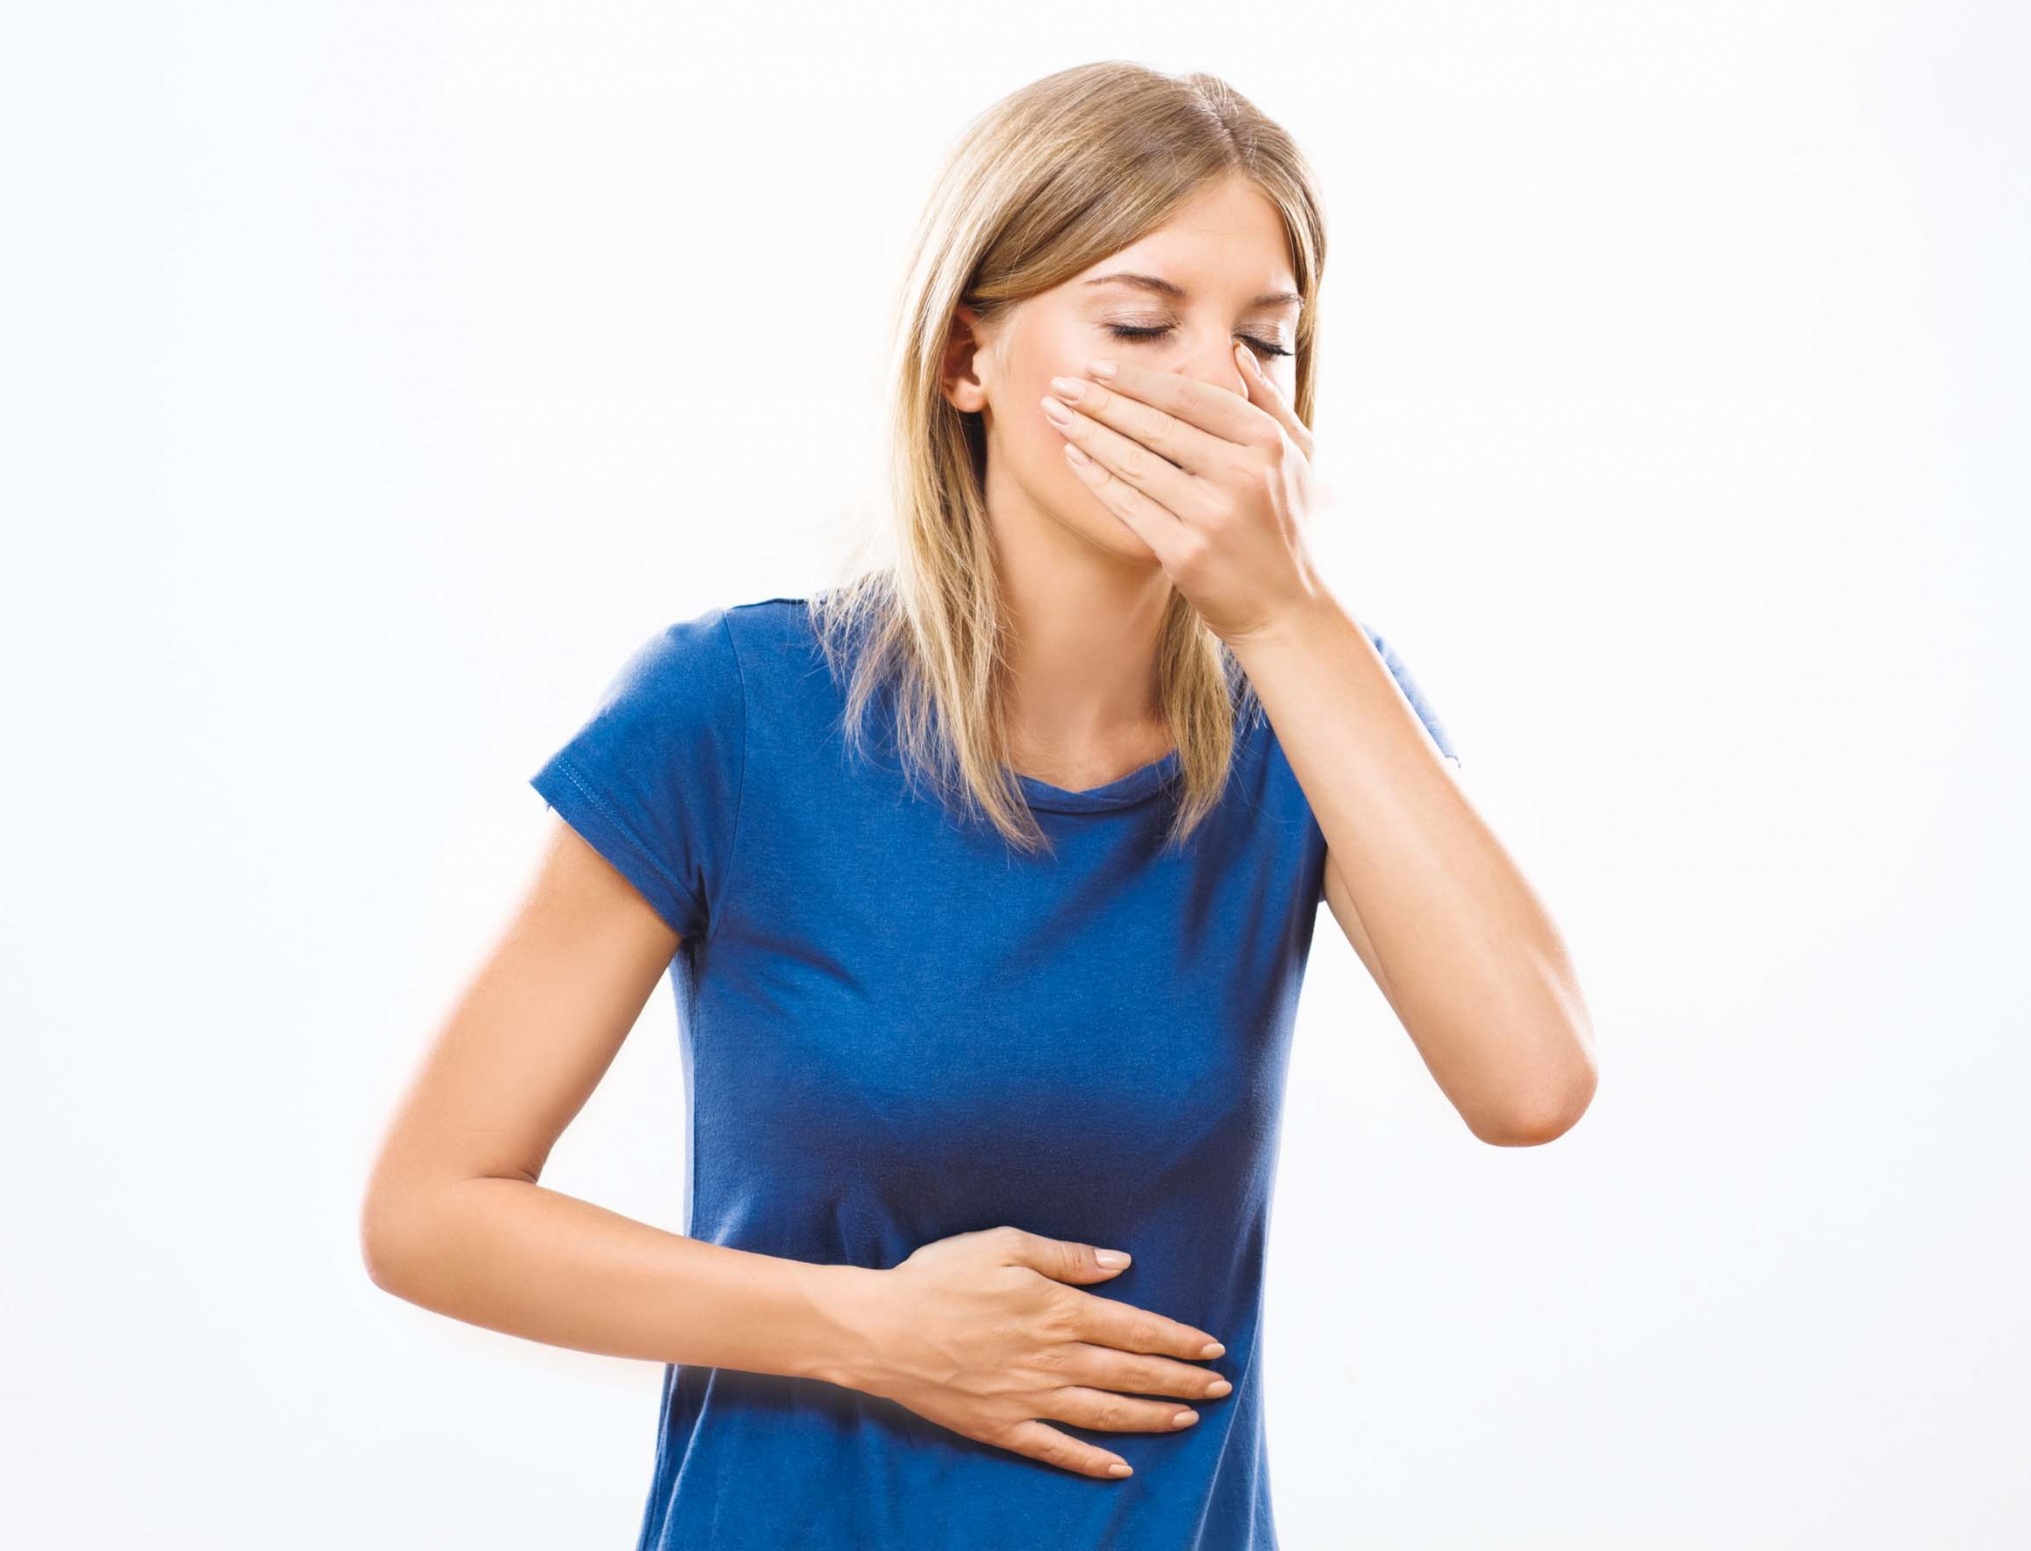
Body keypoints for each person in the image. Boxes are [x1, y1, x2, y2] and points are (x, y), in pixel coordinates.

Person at [361, 60, 1596, 1550]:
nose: (1216, 386)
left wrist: (1287, 619)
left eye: (1265, 343)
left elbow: (1531, 1084)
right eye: (1139, 324)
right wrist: (869, 1330)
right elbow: (432, 1211)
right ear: (967, 357)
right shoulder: (737, 708)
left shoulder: (1316, 715)